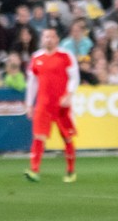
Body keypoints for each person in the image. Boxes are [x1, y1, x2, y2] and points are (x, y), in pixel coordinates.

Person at [24, 28, 80, 183]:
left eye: (51, 36)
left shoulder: (66, 56)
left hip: (62, 105)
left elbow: (74, 77)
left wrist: (69, 95)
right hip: (43, 104)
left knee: (67, 137)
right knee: (38, 136)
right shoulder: (36, 58)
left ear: (57, 39)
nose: (48, 39)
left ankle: (70, 171)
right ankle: (34, 170)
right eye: (46, 36)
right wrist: (29, 104)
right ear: (42, 39)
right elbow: (32, 82)